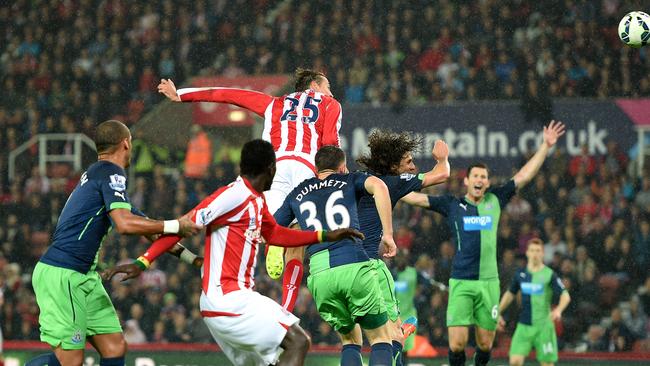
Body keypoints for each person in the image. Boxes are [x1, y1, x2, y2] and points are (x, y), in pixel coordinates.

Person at [104, 140, 363, 366]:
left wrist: (324, 235)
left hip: (235, 299)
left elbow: (275, 234)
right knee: (298, 342)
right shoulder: (233, 195)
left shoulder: (257, 199)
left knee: (278, 358)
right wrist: (143, 261)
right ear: (271, 169)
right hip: (226, 299)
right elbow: (182, 225)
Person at [158, 68, 342, 312]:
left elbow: (228, 94)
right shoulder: (330, 105)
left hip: (276, 167)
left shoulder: (274, 103)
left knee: (273, 227)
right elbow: (329, 142)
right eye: (327, 86)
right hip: (306, 169)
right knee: (297, 241)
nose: (330, 92)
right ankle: (286, 308)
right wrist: (341, 172)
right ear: (315, 85)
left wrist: (181, 94)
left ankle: (271, 243)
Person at [28, 120, 203, 366]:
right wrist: (177, 224)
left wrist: (195, 261)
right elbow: (124, 224)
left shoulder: (101, 179)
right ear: (126, 143)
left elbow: (152, 231)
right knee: (71, 361)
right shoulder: (110, 172)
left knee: (114, 347)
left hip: (84, 276)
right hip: (64, 274)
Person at [406, 121, 566, 366]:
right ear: (467, 182)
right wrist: (388, 186)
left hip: (489, 283)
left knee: (484, 344)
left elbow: (524, 175)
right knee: (457, 344)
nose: (480, 180)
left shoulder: (495, 199)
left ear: (488, 183)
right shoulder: (453, 205)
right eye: (476, 176)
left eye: (484, 177)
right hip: (461, 281)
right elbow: (417, 199)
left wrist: (545, 145)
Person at [273, 145, 397, 366]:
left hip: (320, 276)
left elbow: (271, 229)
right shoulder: (349, 180)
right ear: (342, 167)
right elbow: (379, 186)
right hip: (353, 264)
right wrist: (387, 234)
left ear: (315, 169)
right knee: (381, 337)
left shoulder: (298, 193)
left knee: (350, 340)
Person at [348, 130, 450, 366]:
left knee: (350, 340)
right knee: (392, 337)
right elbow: (442, 174)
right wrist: (442, 158)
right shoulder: (391, 182)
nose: (413, 168)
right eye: (408, 162)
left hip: (338, 265)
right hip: (369, 266)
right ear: (393, 166)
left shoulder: (355, 179)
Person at [498, 238, 571, 366]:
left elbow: (565, 295)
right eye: (532, 250)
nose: (535, 253)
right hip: (524, 325)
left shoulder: (550, 274)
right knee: (514, 362)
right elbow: (510, 294)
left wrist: (558, 310)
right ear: (527, 253)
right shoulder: (520, 274)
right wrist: (497, 312)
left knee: (547, 364)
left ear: (542, 253)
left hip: (543, 326)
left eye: (538, 251)